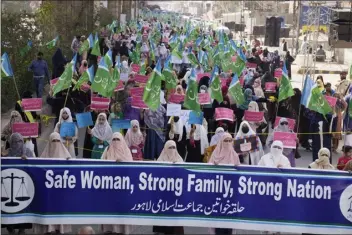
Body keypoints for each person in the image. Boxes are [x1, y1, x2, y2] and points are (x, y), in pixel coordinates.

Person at [35, 132, 72, 234]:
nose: (55, 143)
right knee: (49, 208)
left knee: (59, 209)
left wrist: (69, 162)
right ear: (49, 142)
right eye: (53, 141)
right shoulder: (44, 156)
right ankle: (49, 229)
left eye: (57, 141)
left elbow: (72, 172)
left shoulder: (66, 155)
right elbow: (36, 168)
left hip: (61, 190)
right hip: (48, 190)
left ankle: (59, 228)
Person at [1, 133, 33, 234]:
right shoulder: (8, 152)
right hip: (9, 186)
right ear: (11, 142)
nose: (17, 143)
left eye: (19, 141)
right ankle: (10, 227)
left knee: (23, 207)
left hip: (24, 184)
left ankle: (22, 229)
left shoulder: (27, 151)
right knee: (10, 208)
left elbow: (35, 164)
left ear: (22, 141)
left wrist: (27, 160)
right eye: (14, 141)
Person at [153, 140, 184, 235]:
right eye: (170, 147)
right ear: (165, 149)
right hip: (163, 194)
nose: (172, 149)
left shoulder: (179, 160)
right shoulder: (160, 160)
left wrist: (178, 167)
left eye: (174, 147)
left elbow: (184, 176)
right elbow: (156, 176)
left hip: (175, 195)